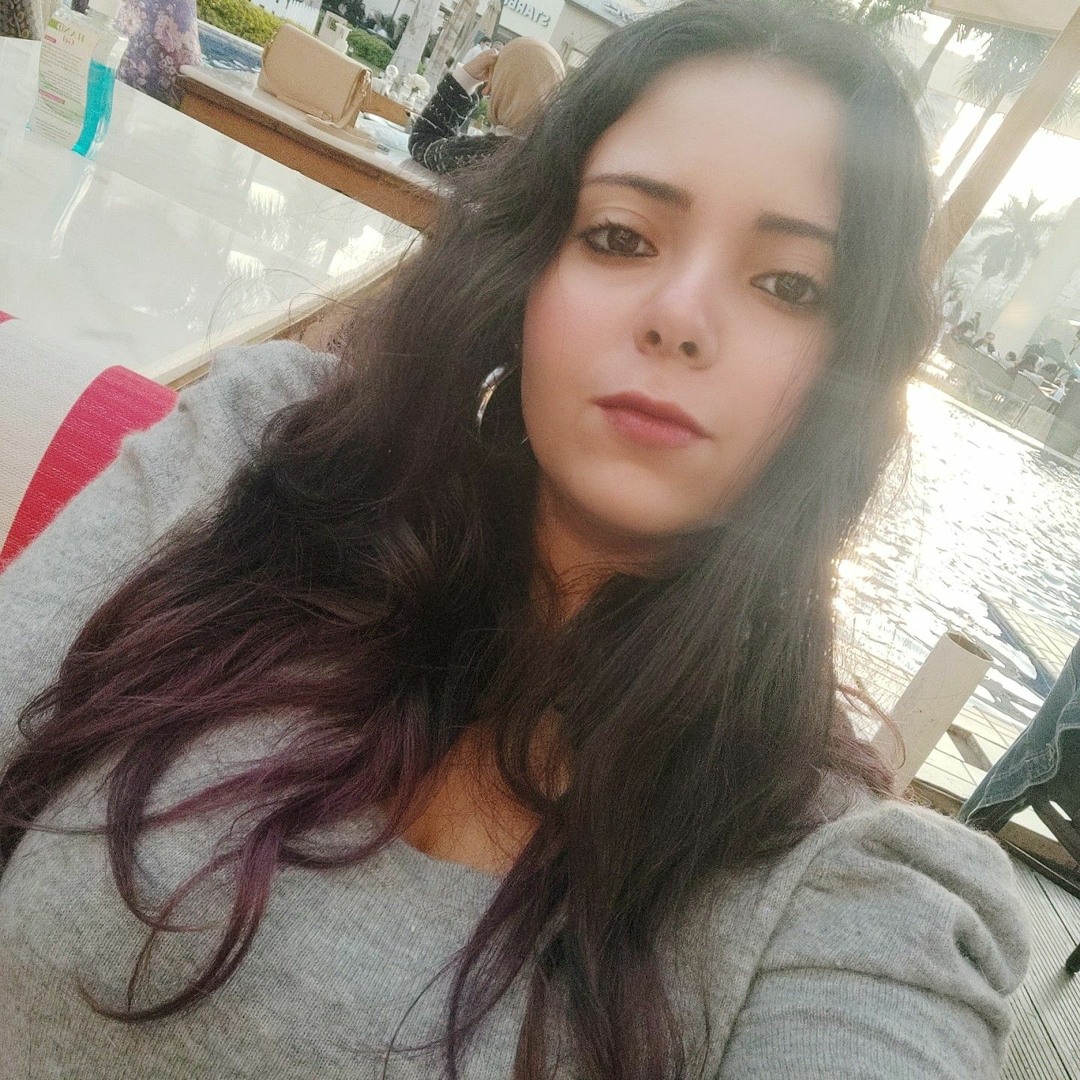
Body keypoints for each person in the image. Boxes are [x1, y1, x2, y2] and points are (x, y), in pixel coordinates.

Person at [0, 3, 1028, 1077]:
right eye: (621, 236)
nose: (681, 315)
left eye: (786, 285)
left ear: (841, 377)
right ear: (529, 270)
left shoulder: (845, 895)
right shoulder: (257, 457)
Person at [408, 36, 565, 173]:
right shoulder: (553, 165)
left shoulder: (487, 156)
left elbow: (422, 142)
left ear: (503, 88)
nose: (487, 91)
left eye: (496, 78)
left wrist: (466, 78)